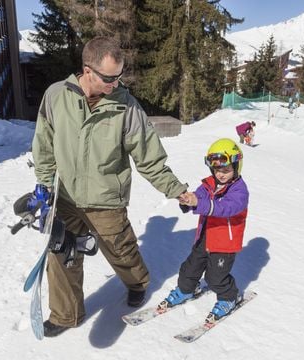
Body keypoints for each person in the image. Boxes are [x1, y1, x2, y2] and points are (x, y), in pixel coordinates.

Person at [31, 36, 188, 337]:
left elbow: (149, 157)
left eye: (119, 77)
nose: (115, 84)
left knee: (121, 250)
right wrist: (44, 183)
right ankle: (66, 314)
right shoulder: (56, 96)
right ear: (87, 70)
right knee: (62, 254)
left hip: (106, 200)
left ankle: (138, 282)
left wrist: (176, 189)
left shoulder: (126, 107)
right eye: (108, 78)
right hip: (65, 196)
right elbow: (44, 144)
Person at [160, 138, 249, 322]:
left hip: (224, 244)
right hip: (204, 238)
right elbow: (198, 197)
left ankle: (229, 297)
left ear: (236, 167)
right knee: (189, 268)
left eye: (226, 170)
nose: (221, 174)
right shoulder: (208, 184)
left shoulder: (239, 191)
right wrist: (187, 200)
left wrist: (199, 203)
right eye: (217, 170)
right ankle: (186, 290)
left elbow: (224, 208)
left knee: (215, 278)